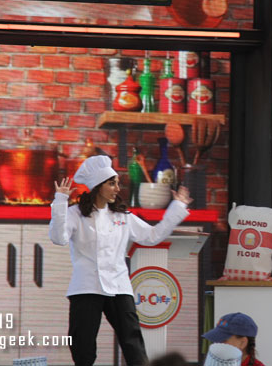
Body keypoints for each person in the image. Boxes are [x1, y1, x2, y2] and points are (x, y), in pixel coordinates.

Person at [49, 155, 192, 366]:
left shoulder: (123, 216)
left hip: (119, 286)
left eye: (117, 183)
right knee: (83, 347)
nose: (117, 188)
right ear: (98, 186)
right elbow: (58, 238)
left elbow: (153, 236)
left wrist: (177, 208)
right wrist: (60, 201)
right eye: (112, 183)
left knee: (133, 344)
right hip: (86, 287)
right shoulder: (75, 214)